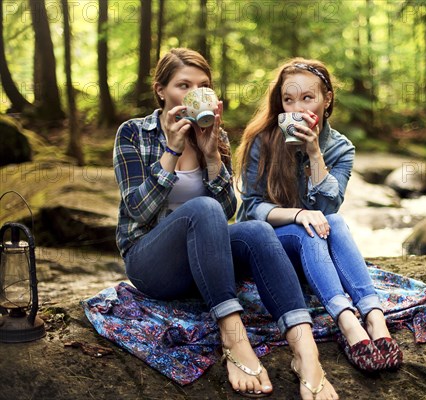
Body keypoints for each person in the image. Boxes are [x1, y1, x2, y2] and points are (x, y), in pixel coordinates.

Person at [114, 48, 338, 399]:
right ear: (161, 91)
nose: (193, 93)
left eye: (203, 85)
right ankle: (234, 340)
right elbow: (136, 211)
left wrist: (209, 157)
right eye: (182, 85)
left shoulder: (214, 135)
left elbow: (226, 211)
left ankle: (305, 352)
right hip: (151, 263)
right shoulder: (133, 133)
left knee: (258, 231)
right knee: (201, 209)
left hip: (204, 264)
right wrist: (171, 151)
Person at [236, 58, 403, 372]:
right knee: (308, 227)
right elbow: (250, 209)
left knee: (334, 221)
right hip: (268, 249)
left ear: (327, 100)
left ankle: (375, 319)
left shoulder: (341, 149)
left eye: (307, 98)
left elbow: (328, 211)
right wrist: (297, 214)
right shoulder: (263, 140)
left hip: (314, 250)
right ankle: (347, 321)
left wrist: (315, 153)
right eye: (288, 99)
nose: (297, 107)